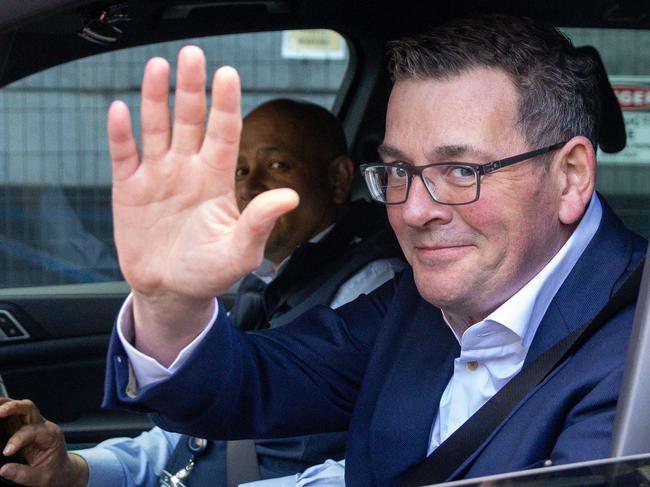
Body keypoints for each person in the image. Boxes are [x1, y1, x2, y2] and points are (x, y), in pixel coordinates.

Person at [3, 12, 648, 487]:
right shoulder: (419, 306)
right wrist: (171, 301)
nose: (415, 210)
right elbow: (247, 387)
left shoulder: (637, 350)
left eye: (461, 171)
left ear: (569, 177)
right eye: (397, 171)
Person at [0, 99, 404, 487]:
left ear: (337, 180)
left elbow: (367, 466)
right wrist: (76, 470)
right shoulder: (262, 282)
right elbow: (188, 435)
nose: (249, 186)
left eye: (277, 164)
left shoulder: (374, 290)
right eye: (240, 170)